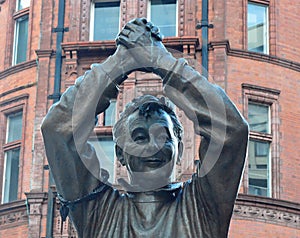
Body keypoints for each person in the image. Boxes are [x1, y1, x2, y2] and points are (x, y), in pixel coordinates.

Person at [41, 18, 249, 238]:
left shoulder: (202, 207)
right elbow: (57, 130)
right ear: (120, 153)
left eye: (162, 136)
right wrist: (119, 63)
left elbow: (232, 130)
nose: (153, 147)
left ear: (179, 148)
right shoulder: (99, 212)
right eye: (140, 137)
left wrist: (159, 59)